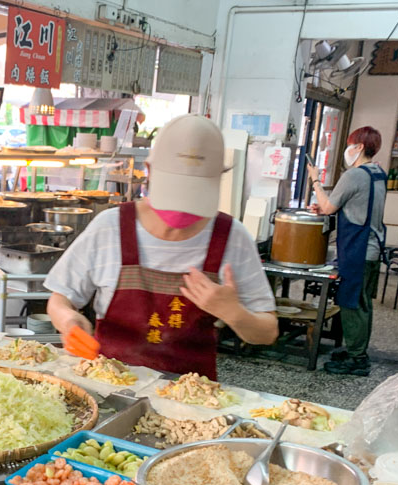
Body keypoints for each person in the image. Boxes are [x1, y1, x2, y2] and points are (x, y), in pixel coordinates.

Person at [45, 114, 278, 380]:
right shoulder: (110, 228)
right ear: (150, 170)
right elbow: (59, 299)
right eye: (175, 190)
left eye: (194, 193)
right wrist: (69, 322)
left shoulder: (232, 238)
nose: (181, 206)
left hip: (190, 400)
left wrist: (233, 312)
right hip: (109, 385)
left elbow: (267, 332)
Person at [307, 126, 387, 377]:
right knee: (362, 303)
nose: (347, 150)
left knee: (352, 303)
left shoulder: (354, 175)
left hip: (358, 249)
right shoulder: (378, 173)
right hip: (372, 247)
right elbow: (354, 205)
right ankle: (356, 349)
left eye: (351, 145)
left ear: (360, 147)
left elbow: (329, 207)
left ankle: (357, 359)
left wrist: (315, 180)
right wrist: (327, 207)